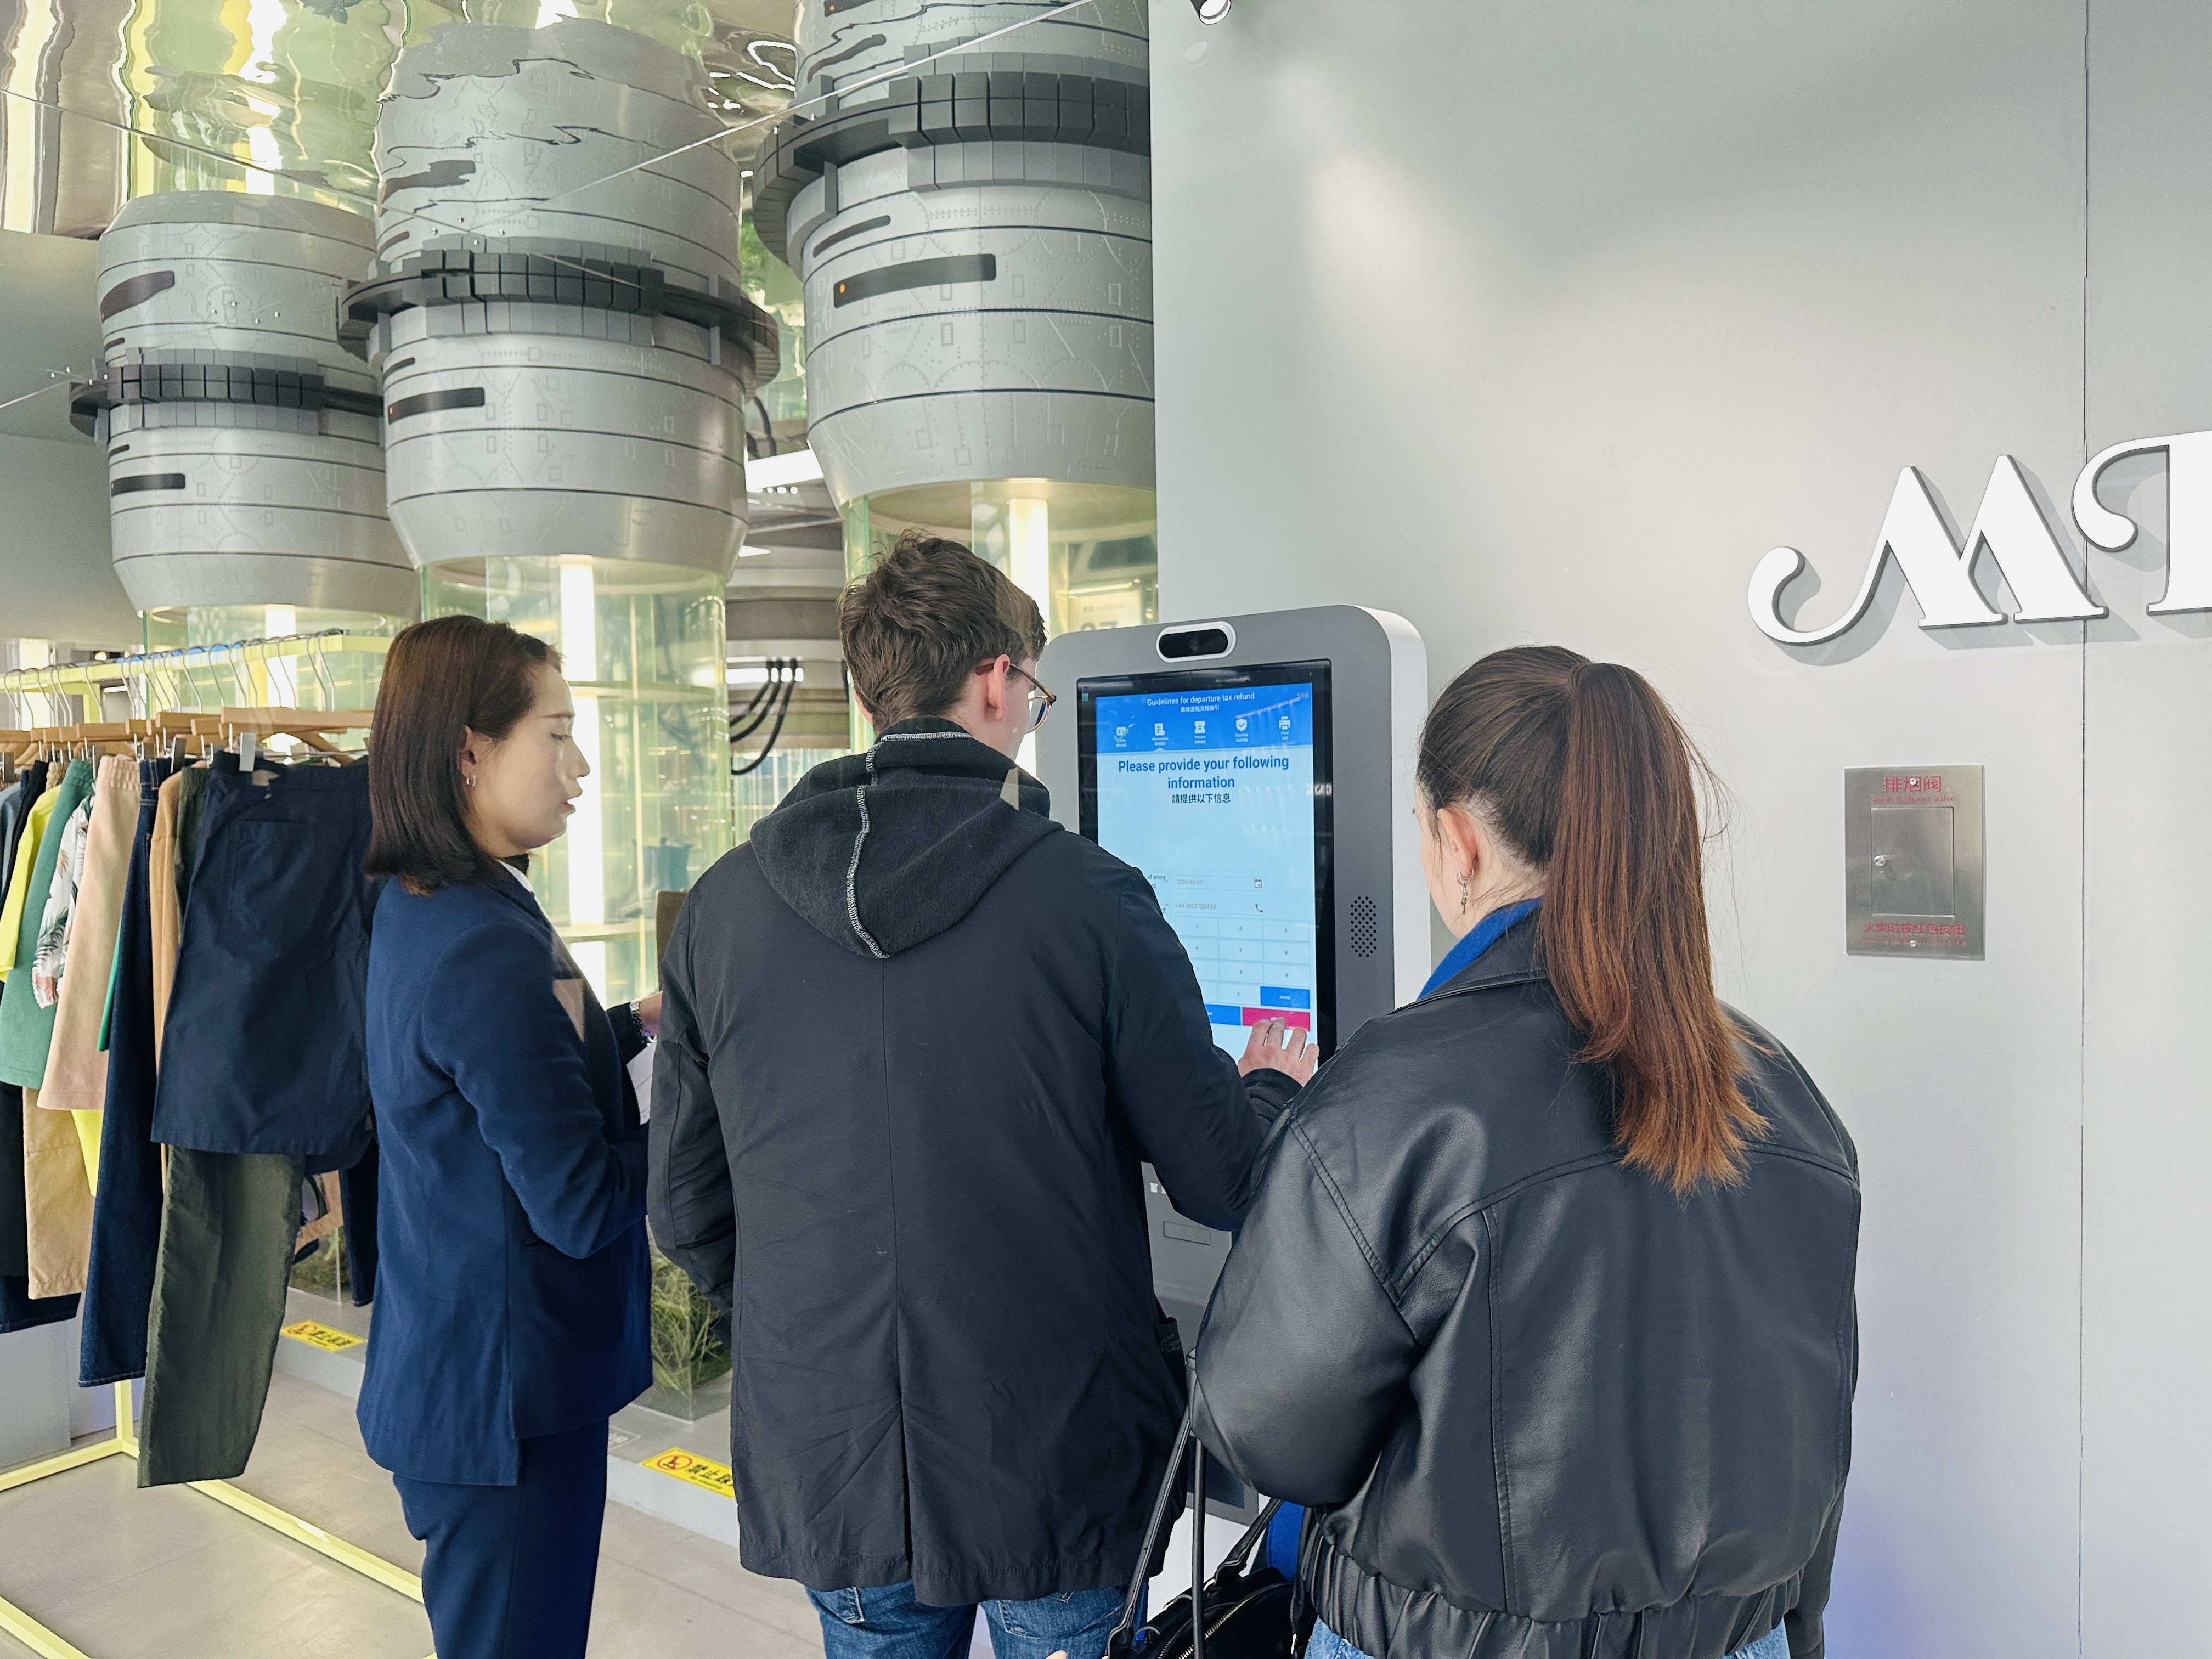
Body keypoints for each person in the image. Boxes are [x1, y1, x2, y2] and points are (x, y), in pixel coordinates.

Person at [649, 530, 1317, 1659]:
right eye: (1036, 692)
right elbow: (1221, 1182)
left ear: (872, 694)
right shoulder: (1091, 898)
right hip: (1050, 1459)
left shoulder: (722, 908)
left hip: (833, 1460)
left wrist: (816, 1319)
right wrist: (1264, 1089)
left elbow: (684, 1208)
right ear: (998, 680)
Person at [1193, 646, 1859, 1659]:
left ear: (1458, 841)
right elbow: (1813, 1448)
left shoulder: (1389, 1100)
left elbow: (1266, 1432)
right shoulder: (1782, 1095)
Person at [359, 614, 661, 1659]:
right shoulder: (484, 943)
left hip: (466, 1374)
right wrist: (718, 1128)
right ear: (469, 751)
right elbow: (579, 1204)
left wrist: (639, 1027)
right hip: (506, 1407)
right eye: (558, 735)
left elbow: (518, 1062)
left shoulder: (446, 905)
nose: (580, 768)